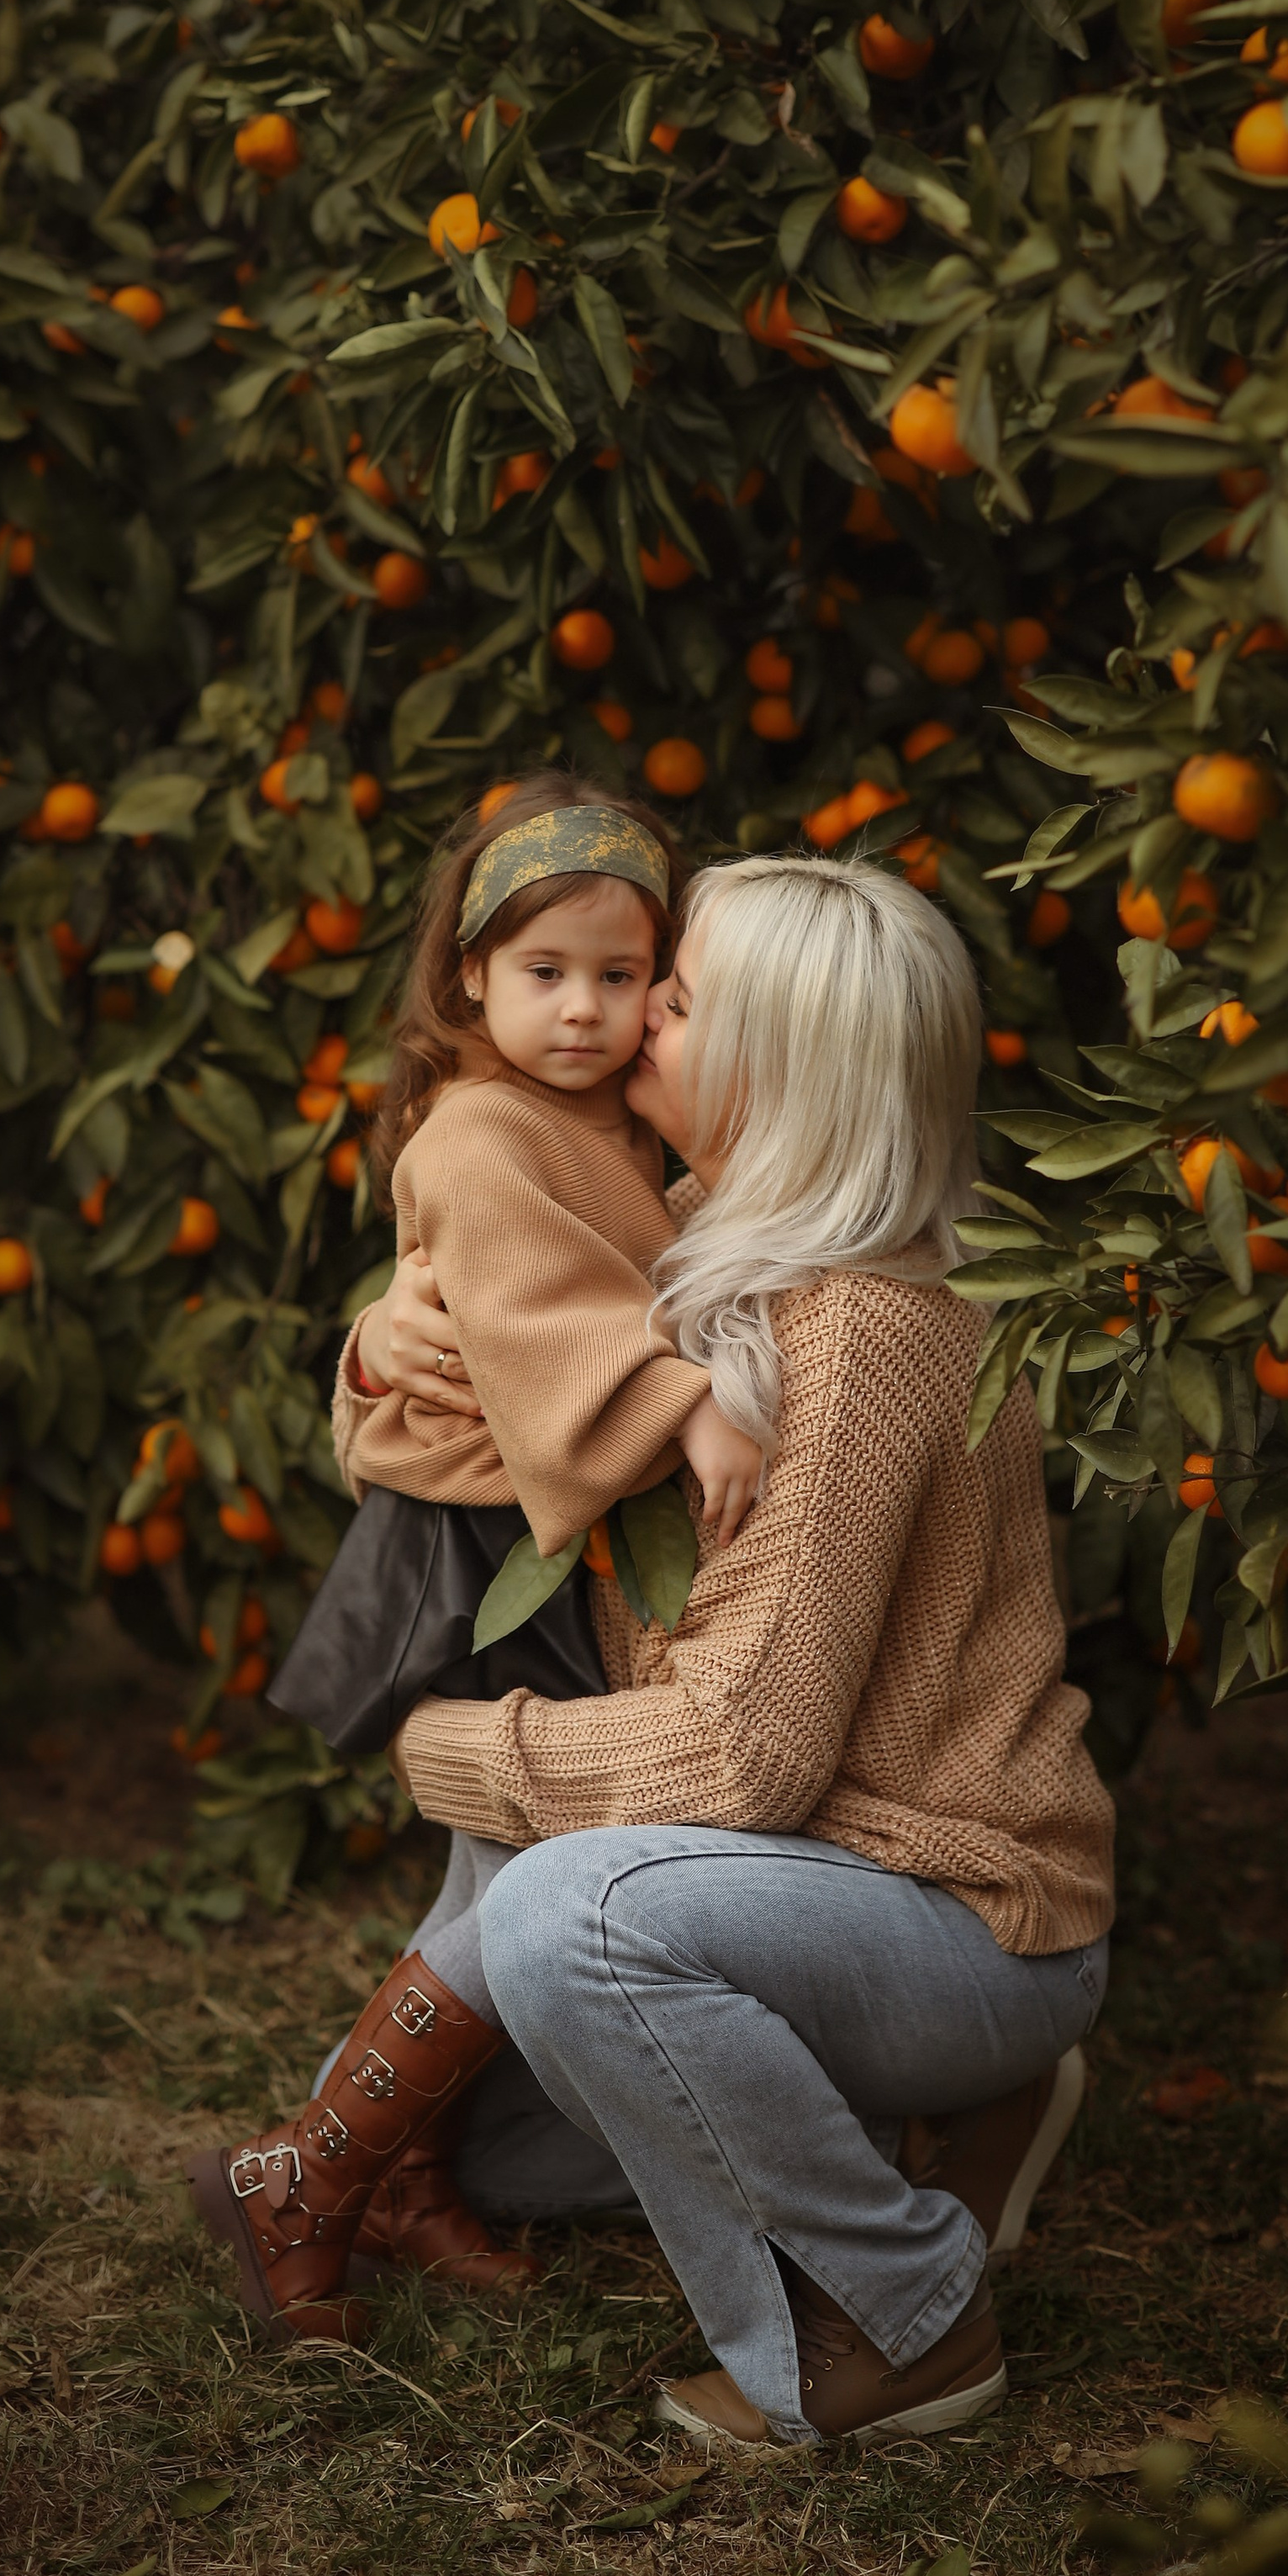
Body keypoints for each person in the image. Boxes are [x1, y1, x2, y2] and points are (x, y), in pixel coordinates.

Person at [193, 856, 1115, 2443]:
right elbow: (488, 1390)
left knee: (564, 1920)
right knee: (494, 2153)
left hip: (941, 1897)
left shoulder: (869, 1323)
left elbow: (742, 1759)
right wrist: (381, 1349)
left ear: (776, 1068)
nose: (629, 1027)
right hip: (775, 1880)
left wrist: (445, 1753)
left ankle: (908, 2319)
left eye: (674, 1003)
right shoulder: (689, 1235)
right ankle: (928, 2128)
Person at [190, 774, 762, 2329]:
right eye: (543, 973)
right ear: (467, 979)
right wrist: (684, 1401)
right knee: (517, 1872)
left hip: (537, 1528)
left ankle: (386, 2172)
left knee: (507, 1871)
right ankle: (313, 2172)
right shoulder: (484, 1128)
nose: (583, 1010)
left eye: (620, 975)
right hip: (479, 1542)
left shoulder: (603, 1113)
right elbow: (540, 1318)